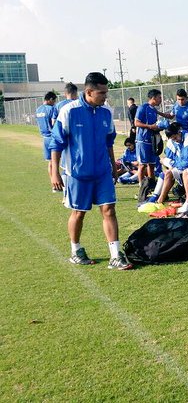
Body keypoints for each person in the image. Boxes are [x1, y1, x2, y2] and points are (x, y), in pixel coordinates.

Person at [49, 72, 133, 270]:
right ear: (89, 92)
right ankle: (76, 250)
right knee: (79, 213)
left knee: (109, 209)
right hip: (78, 173)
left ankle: (115, 255)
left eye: (106, 92)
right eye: (102, 93)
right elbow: (56, 143)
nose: (105, 96)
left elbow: (109, 142)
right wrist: (54, 172)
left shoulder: (105, 112)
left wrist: (113, 166)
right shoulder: (69, 111)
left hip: (102, 172)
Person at [134, 89, 172, 197]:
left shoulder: (153, 109)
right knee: (142, 165)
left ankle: (151, 187)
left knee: (151, 164)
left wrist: (159, 127)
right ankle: (141, 189)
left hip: (152, 140)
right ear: (153, 98)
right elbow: (136, 123)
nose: (161, 100)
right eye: (159, 97)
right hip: (142, 140)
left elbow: (160, 120)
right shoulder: (143, 108)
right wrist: (150, 127)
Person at [36, 91, 58, 190]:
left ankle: (53, 184)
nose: (54, 103)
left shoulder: (38, 110)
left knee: (50, 162)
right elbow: (55, 123)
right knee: (59, 161)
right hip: (53, 137)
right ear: (50, 100)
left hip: (45, 138)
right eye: (54, 101)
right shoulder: (52, 109)